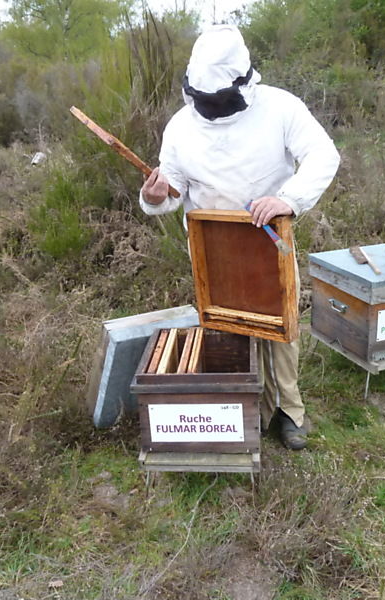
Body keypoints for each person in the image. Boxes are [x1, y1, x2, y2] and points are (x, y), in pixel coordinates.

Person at [139, 24, 340, 450]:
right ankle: (246, 411)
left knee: (280, 328)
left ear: (243, 84)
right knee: (228, 329)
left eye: (218, 99)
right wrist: (155, 194)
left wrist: (288, 199)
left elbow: (324, 155)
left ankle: (288, 412)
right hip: (210, 247)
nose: (211, 107)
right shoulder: (180, 127)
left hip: (267, 237)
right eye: (205, 100)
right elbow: (171, 188)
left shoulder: (281, 108)